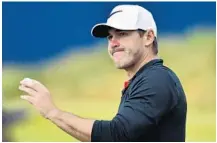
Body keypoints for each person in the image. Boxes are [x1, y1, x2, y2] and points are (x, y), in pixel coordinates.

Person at [18, 4, 187, 142]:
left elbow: (116, 135)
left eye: (122, 33)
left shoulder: (157, 79)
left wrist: (53, 112)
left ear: (148, 37)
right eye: (109, 36)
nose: (113, 43)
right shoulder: (145, 79)